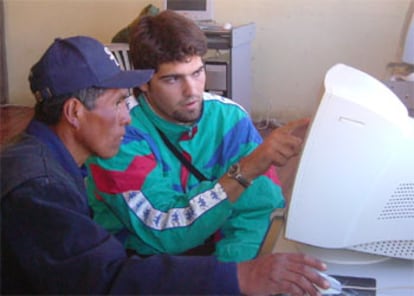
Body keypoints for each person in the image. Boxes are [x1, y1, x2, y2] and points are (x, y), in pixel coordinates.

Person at [1, 35, 330, 295]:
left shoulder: (49, 160)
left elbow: (259, 207)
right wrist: (239, 276)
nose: (127, 116)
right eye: (117, 103)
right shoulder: (39, 188)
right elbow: (105, 280)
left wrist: (237, 267)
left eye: (198, 73)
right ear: (74, 113)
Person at [86, 10, 305, 262]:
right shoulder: (118, 134)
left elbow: (257, 211)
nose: (192, 91)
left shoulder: (229, 118)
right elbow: (162, 233)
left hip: (214, 262)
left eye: (197, 73)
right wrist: (244, 172)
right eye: (172, 79)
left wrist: (232, 273)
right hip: (143, 266)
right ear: (144, 82)